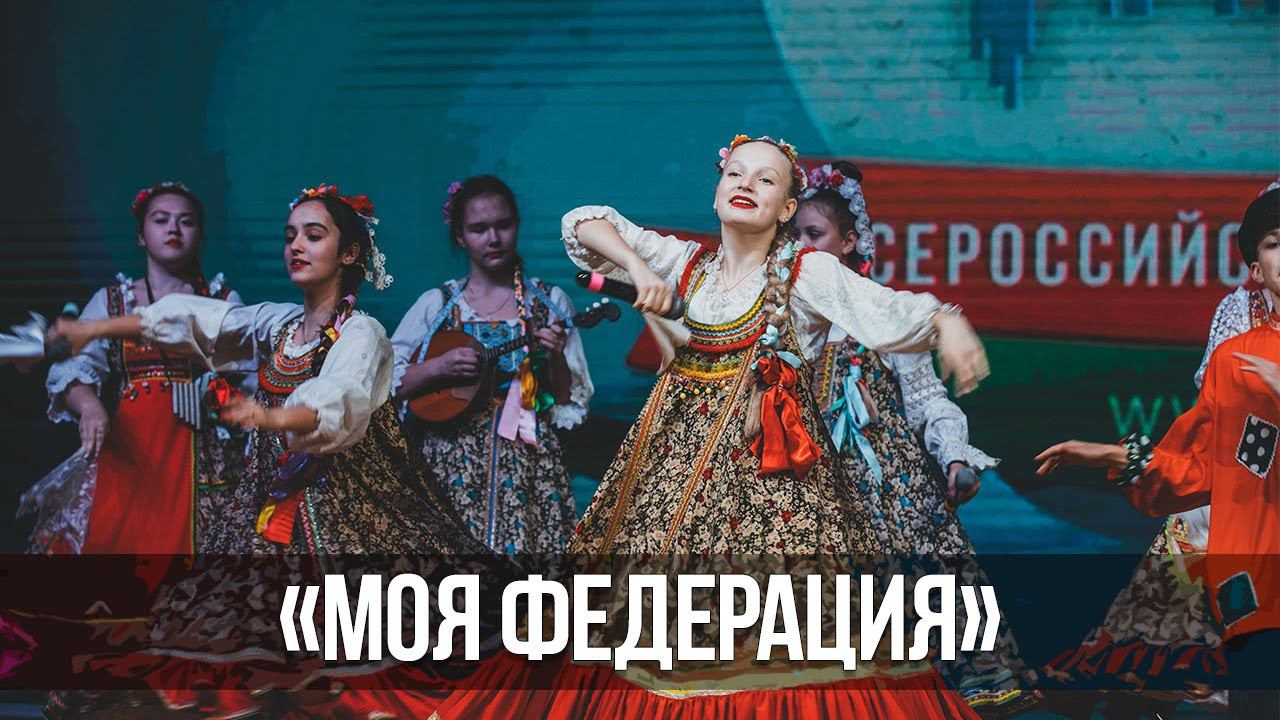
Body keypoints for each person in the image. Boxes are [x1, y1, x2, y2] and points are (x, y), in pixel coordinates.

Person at [433, 135, 990, 718]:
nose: (746, 184)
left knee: (775, 629)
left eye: (765, 179)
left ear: (785, 209)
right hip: (669, 483)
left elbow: (886, 309)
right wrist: (635, 267)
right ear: (718, 191)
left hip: (769, 489)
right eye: (735, 174)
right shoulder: (689, 263)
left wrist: (946, 322)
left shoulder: (807, 272)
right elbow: (584, 223)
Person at [798, 161, 1037, 717]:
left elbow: (927, 400)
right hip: (816, 484)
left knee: (926, 590)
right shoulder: (789, 317)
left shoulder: (886, 314)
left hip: (893, 489)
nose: (803, 248)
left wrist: (955, 457)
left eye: (815, 234)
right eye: (795, 237)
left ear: (849, 242)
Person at [1035, 186, 1280, 720]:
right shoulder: (1238, 354)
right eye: (1275, 243)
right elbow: (1218, 464)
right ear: (1256, 268)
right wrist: (1116, 458)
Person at [18, 181, 244, 554]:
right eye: (161, 220)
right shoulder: (111, 302)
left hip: (200, 450)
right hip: (130, 448)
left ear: (201, 237)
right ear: (141, 235)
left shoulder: (223, 300)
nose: (173, 229)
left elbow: (247, 377)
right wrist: (90, 406)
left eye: (186, 221)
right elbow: (74, 366)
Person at [391, 175, 592, 553]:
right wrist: (439, 368)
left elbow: (568, 403)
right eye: (478, 229)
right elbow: (386, 384)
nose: (493, 238)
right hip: (448, 465)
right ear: (460, 237)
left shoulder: (549, 302)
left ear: (517, 225)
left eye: (503, 225)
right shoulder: (437, 304)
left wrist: (555, 358)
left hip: (529, 468)